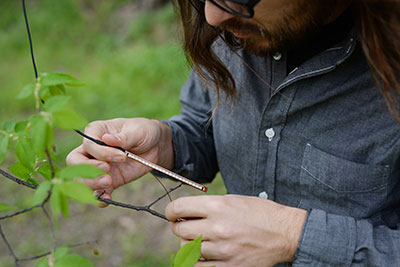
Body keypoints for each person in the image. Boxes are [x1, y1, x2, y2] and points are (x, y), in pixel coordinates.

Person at [67, 0, 400, 266]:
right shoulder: (231, 32)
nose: (212, 16)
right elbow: (208, 122)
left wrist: (293, 238)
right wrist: (166, 142)